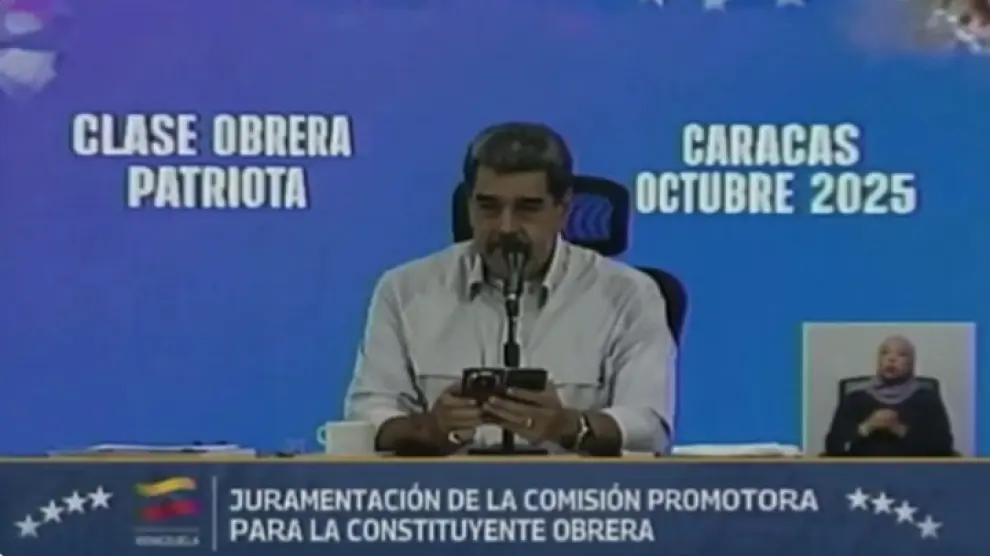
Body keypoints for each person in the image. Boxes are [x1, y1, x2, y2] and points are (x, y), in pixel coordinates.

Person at [343, 122, 675, 456]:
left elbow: (648, 425)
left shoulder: (628, 295)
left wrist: (570, 426)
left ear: (563, 208)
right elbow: (367, 415)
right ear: (469, 205)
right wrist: (427, 429)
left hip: (575, 487)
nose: (505, 227)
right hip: (443, 487)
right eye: (489, 207)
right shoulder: (405, 290)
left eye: (527, 208)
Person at [823, 335, 955, 457]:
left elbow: (943, 449)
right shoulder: (855, 398)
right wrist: (867, 426)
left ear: (912, 363)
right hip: (863, 472)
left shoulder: (927, 399)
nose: (891, 359)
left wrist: (899, 429)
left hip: (911, 472)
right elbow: (834, 448)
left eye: (901, 354)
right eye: (885, 353)